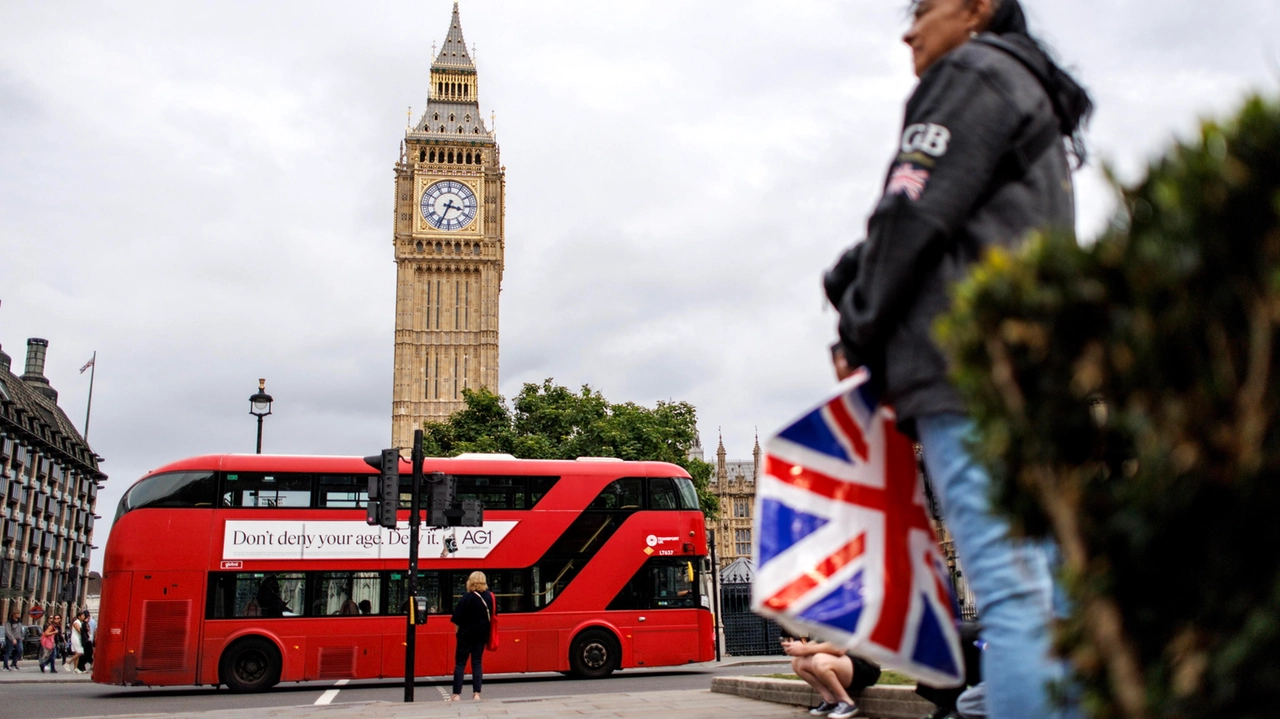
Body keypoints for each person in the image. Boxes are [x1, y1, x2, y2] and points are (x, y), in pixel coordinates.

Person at [823, 1, 1091, 717]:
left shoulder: (971, 72)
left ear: (977, 10)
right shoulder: (1030, 92)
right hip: (1030, 375)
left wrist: (858, 323)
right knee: (1049, 600)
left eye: (924, 9)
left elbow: (911, 211)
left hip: (966, 377)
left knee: (1010, 599)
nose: (908, 29)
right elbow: (960, 214)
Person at [782, 636, 881, 719]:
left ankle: (847, 702)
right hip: (847, 664)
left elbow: (839, 649)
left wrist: (804, 649)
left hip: (866, 667)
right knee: (798, 661)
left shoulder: (847, 617)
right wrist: (796, 648)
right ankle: (830, 701)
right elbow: (816, 642)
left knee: (820, 660)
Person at [449, 571, 494, 702]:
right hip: (481, 635)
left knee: (460, 664)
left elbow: (457, 619)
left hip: (465, 635)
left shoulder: (467, 597)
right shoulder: (489, 597)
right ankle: (476, 693)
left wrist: (458, 633)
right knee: (477, 663)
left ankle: (456, 694)